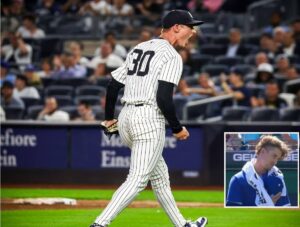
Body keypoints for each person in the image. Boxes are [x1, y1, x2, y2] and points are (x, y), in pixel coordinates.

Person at [90, 10, 207, 227]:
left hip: (126, 118)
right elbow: (163, 97)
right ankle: (99, 224)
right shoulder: (172, 56)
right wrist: (177, 127)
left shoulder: (139, 48)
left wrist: (109, 119)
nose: (193, 31)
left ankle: (182, 225)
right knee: (137, 179)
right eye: (190, 27)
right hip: (148, 118)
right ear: (177, 28)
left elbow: (113, 85)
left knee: (160, 178)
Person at [226, 135, 291, 206]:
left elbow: (285, 209)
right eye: (274, 156)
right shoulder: (237, 180)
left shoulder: (278, 179)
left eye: (277, 159)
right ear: (262, 151)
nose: (275, 162)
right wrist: (268, 205)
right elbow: (235, 215)